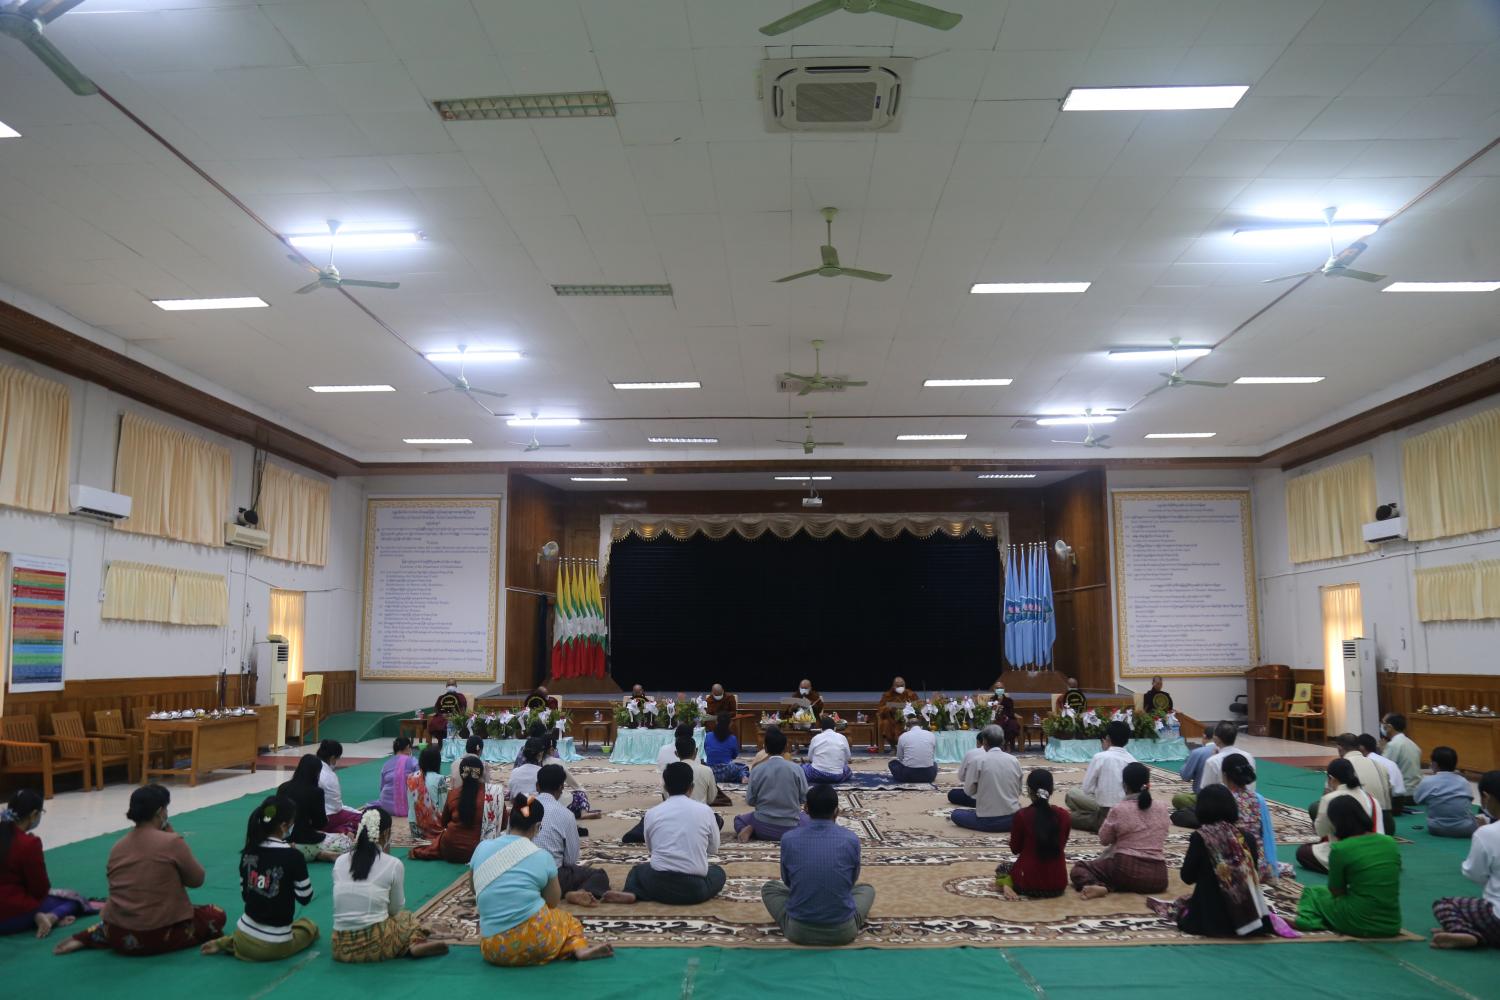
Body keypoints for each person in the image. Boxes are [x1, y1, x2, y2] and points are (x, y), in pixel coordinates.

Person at [55, 784, 225, 956]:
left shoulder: (118, 846)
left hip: (117, 933)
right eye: (166, 809)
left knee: (123, 922)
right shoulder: (171, 841)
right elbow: (197, 880)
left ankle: (96, 933)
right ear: (160, 812)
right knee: (215, 914)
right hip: (155, 935)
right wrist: (175, 839)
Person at [472, 794, 614, 965]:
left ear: (509, 821)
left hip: (493, 949)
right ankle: (579, 949)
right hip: (535, 942)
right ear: (537, 827)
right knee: (568, 921)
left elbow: (474, 888)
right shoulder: (541, 856)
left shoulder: (482, 848)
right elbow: (552, 902)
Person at [202, 795, 318, 960]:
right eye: (292, 823)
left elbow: (245, 895)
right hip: (274, 944)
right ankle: (253, 945)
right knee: (309, 926)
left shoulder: (249, 850)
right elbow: (305, 897)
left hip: (243, 934)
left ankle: (232, 942)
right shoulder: (293, 856)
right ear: (283, 826)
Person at [1147, 784, 1272, 938]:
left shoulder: (1201, 837)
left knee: (1182, 907)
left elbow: (1187, 877)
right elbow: (1254, 874)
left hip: (1209, 919)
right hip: (1249, 916)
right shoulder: (1248, 838)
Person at [762, 784, 875, 946]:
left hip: (798, 932)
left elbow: (788, 881)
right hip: (843, 933)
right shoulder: (851, 839)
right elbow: (851, 881)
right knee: (866, 889)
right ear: (837, 811)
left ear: (806, 809)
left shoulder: (789, 838)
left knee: (770, 888)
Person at [331, 807, 447, 962]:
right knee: (406, 918)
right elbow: (395, 909)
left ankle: (412, 943)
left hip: (341, 946)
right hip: (376, 944)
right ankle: (414, 942)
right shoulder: (393, 864)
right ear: (386, 834)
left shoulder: (340, 861)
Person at [1293, 795, 1401, 938]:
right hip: (1392, 924)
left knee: (1313, 892)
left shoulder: (1341, 849)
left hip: (1358, 922)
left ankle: (1308, 921)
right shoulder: (1390, 842)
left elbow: (1336, 891)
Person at [625, 762, 727, 905]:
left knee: (637, 871)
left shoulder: (652, 813)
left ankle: (632, 892)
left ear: (665, 788)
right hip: (694, 889)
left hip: (658, 882)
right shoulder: (705, 811)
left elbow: (652, 849)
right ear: (691, 787)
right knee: (718, 872)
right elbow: (713, 849)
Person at [0, 789, 94, 938]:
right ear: (33, 815)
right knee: (75, 900)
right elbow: (40, 889)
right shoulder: (28, 843)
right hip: (10, 916)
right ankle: (51, 916)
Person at [535, 765, 634, 906]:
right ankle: (581, 891)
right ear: (561, 787)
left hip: (521, 876)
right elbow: (570, 859)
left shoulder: (522, 809)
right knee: (598, 875)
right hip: (553, 879)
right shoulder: (566, 814)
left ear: (537, 786)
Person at [1071, 762, 1171, 898]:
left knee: (1079, 868)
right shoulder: (1162, 807)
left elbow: (1104, 839)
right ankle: (1114, 885)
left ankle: (1101, 887)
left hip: (1126, 870)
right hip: (1158, 878)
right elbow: (1163, 833)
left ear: (1124, 785)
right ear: (1148, 784)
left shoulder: (1120, 809)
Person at [1431, 770, 1500, 949]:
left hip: (1496, 918)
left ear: (1486, 797)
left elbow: (1474, 874)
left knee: (1445, 905)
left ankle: (1467, 932)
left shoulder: (1486, 833)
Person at [1298, 758, 1383, 874]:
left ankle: (1343, 869)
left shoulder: (1330, 799)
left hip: (1348, 854)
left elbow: (1321, 832)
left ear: (1331, 779)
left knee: (1302, 852)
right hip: (1375, 853)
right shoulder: (1372, 799)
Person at [995, 769, 1071, 899]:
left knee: (1003, 867)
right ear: (1052, 790)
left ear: (1029, 791)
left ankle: (1006, 884)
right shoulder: (1064, 816)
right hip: (1058, 884)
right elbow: (1060, 846)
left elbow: (1015, 849)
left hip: (1026, 883)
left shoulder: (1022, 815)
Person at [410, 755, 487, 863]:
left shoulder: (453, 794)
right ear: (481, 774)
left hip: (450, 848)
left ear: (461, 774)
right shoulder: (492, 795)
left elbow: (444, 822)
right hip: (479, 851)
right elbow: (502, 824)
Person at [737, 727, 808, 842]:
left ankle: (750, 829)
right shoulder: (796, 769)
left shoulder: (757, 770)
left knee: (739, 820)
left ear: (765, 747)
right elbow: (804, 798)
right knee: (810, 820)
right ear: (785, 748)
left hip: (762, 826)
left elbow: (750, 800)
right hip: (791, 827)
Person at [278, 754, 351, 862]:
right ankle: (316, 853)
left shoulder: (283, 788)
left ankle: (304, 851)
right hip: (307, 840)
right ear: (316, 773)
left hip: (284, 839)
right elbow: (320, 824)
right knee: (346, 841)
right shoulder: (316, 792)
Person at [951, 724, 1023, 833]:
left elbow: (969, 791)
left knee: (956, 814)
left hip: (987, 820)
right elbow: (1018, 791)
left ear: (984, 742)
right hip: (1012, 819)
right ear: (1003, 741)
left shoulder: (978, 761)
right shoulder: (1014, 760)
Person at [1066, 721, 1135, 833]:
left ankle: (1094, 817)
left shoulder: (1100, 757)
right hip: (1129, 815)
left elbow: (1087, 789)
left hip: (1105, 814)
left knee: (1067, 811)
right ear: (1127, 741)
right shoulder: (1133, 761)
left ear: (1107, 738)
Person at [1221, 754, 1281, 880]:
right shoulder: (1258, 799)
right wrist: (1270, 863)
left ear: (1225, 775)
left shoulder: (1226, 799)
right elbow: (1267, 834)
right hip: (1259, 865)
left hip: (1234, 866)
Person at [1173, 722, 1255, 811]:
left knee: (1180, 800)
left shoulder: (1213, 760)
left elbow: (1206, 792)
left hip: (1220, 805)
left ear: (1215, 738)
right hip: (1248, 802)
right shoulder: (1248, 756)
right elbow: (1251, 784)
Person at [1322, 733, 1392, 832]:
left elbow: (1327, 797)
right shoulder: (1378, 764)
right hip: (1387, 823)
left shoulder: (1339, 766)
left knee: (1316, 807)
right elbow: (1390, 792)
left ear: (1339, 748)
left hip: (1359, 824)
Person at [1415, 746, 1478, 838]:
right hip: (1465, 829)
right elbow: (1470, 800)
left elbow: (1417, 800)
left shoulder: (1427, 781)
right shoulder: (1463, 781)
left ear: (1434, 764)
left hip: (1436, 828)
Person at [318, 739, 363, 835]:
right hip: (326, 819)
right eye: (338, 758)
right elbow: (336, 808)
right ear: (332, 758)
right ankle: (340, 831)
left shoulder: (306, 770)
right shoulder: (330, 776)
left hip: (305, 819)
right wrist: (358, 813)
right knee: (363, 818)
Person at [407, 744, 449, 841]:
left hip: (414, 826)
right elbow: (444, 806)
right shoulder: (440, 779)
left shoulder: (411, 777)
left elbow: (410, 802)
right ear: (437, 762)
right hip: (433, 826)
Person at [1359, 733, 1407, 810]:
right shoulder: (1385, 761)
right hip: (1399, 802)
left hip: (1388, 804)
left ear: (1361, 748)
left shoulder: (1370, 762)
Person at [374, 737, 418, 820]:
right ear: (408, 747)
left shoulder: (386, 764)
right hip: (409, 808)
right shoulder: (413, 761)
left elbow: (382, 787)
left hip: (386, 807)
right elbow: (420, 782)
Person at [1381, 712, 1423, 795]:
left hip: (1402, 793)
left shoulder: (1393, 745)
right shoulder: (1412, 744)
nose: (1382, 726)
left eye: (1383, 723)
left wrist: (1383, 751)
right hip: (1415, 790)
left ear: (1389, 727)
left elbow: (1383, 770)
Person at [889, 717, 938, 784]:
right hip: (929, 776)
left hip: (909, 775)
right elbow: (932, 755)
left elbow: (900, 757)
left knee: (893, 763)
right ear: (921, 726)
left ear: (908, 727)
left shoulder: (903, 736)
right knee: (934, 763)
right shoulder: (931, 735)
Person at [805, 715, 852, 784]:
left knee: (803, 767)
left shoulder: (816, 738)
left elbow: (810, 758)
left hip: (817, 774)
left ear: (821, 729)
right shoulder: (842, 738)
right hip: (837, 776)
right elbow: (848, 758)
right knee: (847, 770)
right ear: (835, 728)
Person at [705, 711, 748, 784]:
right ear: (730, 724)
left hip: (711, 772)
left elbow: (706, 751)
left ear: (716, 722)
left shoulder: (708, 736)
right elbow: (734, 755)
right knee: (743, 767)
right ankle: (743, 777)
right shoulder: (732, 738)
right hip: (728, 771)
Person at [878, 677, 920, 750]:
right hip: (892, 719)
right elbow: (881, 708)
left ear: (905, 685)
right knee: (885, 724)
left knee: (914, 723)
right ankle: (893, 747)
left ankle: (911, 747)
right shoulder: (887, 695)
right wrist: (890, 707)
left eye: (902, 685)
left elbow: (918, 705)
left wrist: (907, 706)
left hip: (908, 718)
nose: (900, 687)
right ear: (893, 686)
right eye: (898, 686)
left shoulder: (910, 694)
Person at [947, 733, 986, 809]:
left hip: (978, 799)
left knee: (953, 794)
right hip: (1000, 800)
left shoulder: (972, 753)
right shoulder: (1008, 757)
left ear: (978, 742)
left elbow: (961, 777)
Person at [1179, 729, 1217, 793]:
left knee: (1179, 798)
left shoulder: (1197, 752)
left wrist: (1185, 764)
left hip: (1203, 794)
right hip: (1227, 795)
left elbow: (1185, 776)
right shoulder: (1228, 752)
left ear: (1204, 736)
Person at [987, 679, 1020, 750]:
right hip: (996, 718)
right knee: (999, 724)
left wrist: (1006, 717)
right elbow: (990, 711)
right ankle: (1000, 743)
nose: (999, 689)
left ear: (1004, 689)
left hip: (1008, 718)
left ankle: (1007, 742)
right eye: (997, 688)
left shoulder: (1009, 700)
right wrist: (996, 707)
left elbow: (1011, 712)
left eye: (1001, 688)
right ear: (994, 689)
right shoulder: (992, 700)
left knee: (1013, 725)